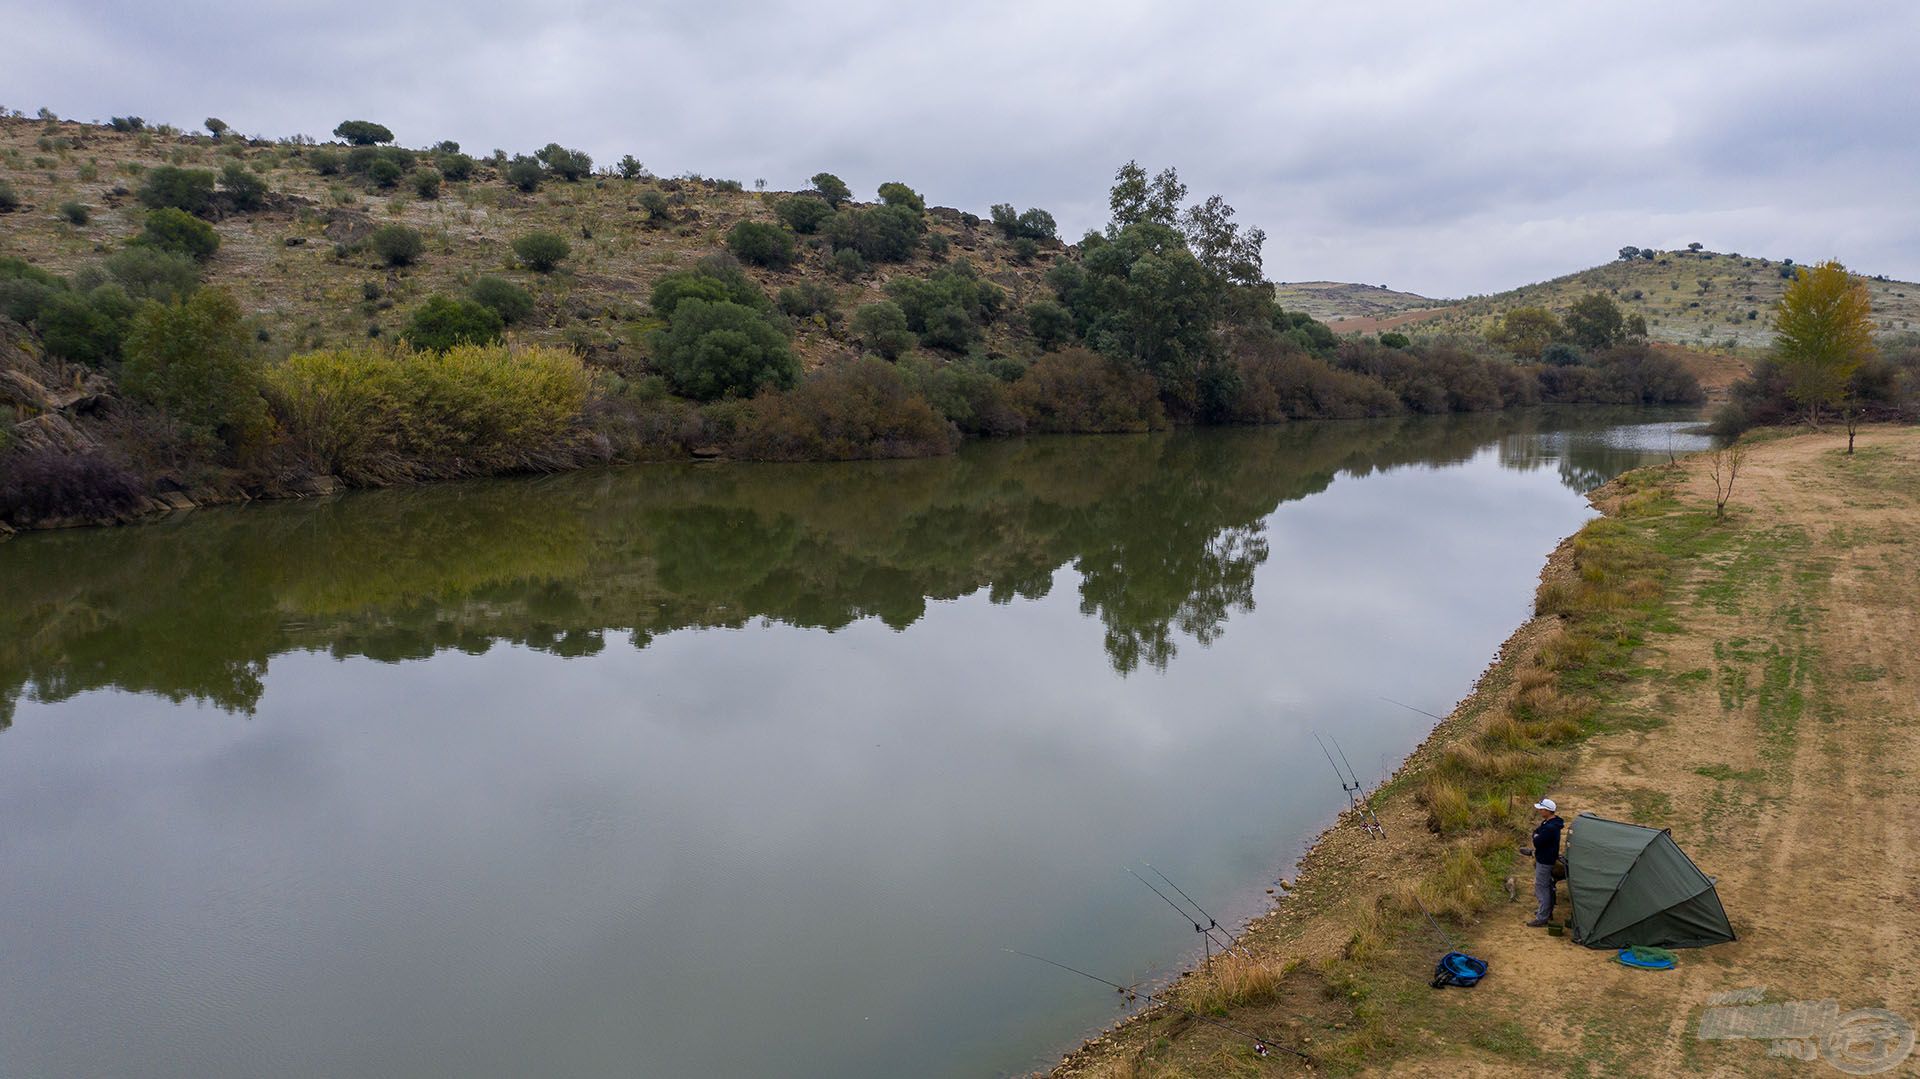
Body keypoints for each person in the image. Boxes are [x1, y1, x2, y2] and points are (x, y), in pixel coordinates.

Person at [1521, 797, 1565, 927]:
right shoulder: (1551, 824)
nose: (1539, 811)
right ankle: (1545, 911)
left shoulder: (1550, 828)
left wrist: (1535, 836)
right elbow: (1538, 834)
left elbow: (1537, 841)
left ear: (1547, 810)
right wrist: (1537, 834)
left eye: (1541, 809)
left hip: (1545, 861)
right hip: (1547, 858)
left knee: (1542, 888)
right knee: (1546, 886)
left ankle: (1542, 916)